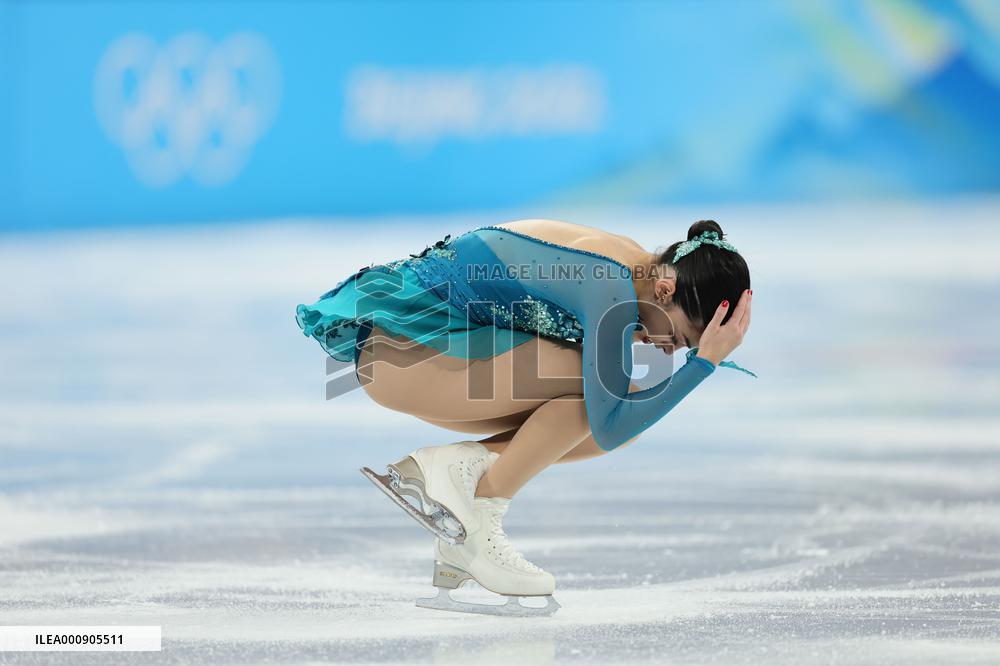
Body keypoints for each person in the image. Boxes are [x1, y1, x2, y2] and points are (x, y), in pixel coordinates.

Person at [295, 218, 753, 616]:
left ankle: (460, 478)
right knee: (607, 398)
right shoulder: (611, 285)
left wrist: (696, 358)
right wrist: (704, 365)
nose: (672, 351)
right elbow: (611, 424)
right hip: (403, 353)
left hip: (432, 357)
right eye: (680, 338)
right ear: (666, 290)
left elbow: (614, 424)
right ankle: (478, 520)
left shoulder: (632, 275)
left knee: (612, 401)